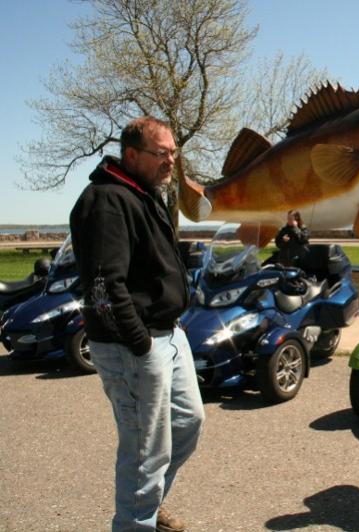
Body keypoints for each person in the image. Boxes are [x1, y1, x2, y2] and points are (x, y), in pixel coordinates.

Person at [70, 116, 204, 532]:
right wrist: (141, 344)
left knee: (186, 424)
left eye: (173, 153)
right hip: (134, 347)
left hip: (169, 335)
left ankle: (146, 504)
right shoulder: (107, 200)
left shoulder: (145, 193)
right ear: (131, 155)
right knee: (146, 451)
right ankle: (136, 520)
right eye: (161, 153)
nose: (170, 161)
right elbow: (104, 286)